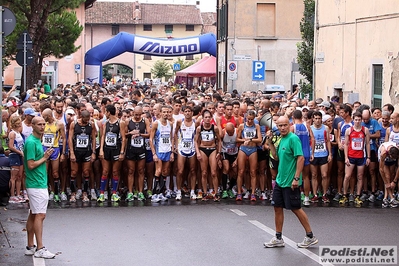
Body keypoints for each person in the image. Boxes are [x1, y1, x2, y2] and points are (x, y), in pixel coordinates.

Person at [264, 116, 318, 249]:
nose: (282, 128)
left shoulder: (293, 139)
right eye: (280, 126)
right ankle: (278, 238)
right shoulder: (281, 139)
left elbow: (300, 158)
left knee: (296, 208)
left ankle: (310, 236)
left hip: (290, 182)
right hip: (280, 181)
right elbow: (276, 156)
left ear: (289, 125)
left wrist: (296, 178)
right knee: (277, 208)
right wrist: (270, 142)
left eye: (284, 125)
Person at [23, 116, 56, 259]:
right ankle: (40, 248)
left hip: (38, 182)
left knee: (34, 213)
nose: (42, 127)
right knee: (40, 215)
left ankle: (30, 246)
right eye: (39, 124)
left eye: (44, 124)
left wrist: (43, 156)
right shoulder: (31, 142)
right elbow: (30, 165)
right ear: (32, 126)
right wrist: (44, 158)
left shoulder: (36, 140)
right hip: (35, 183)